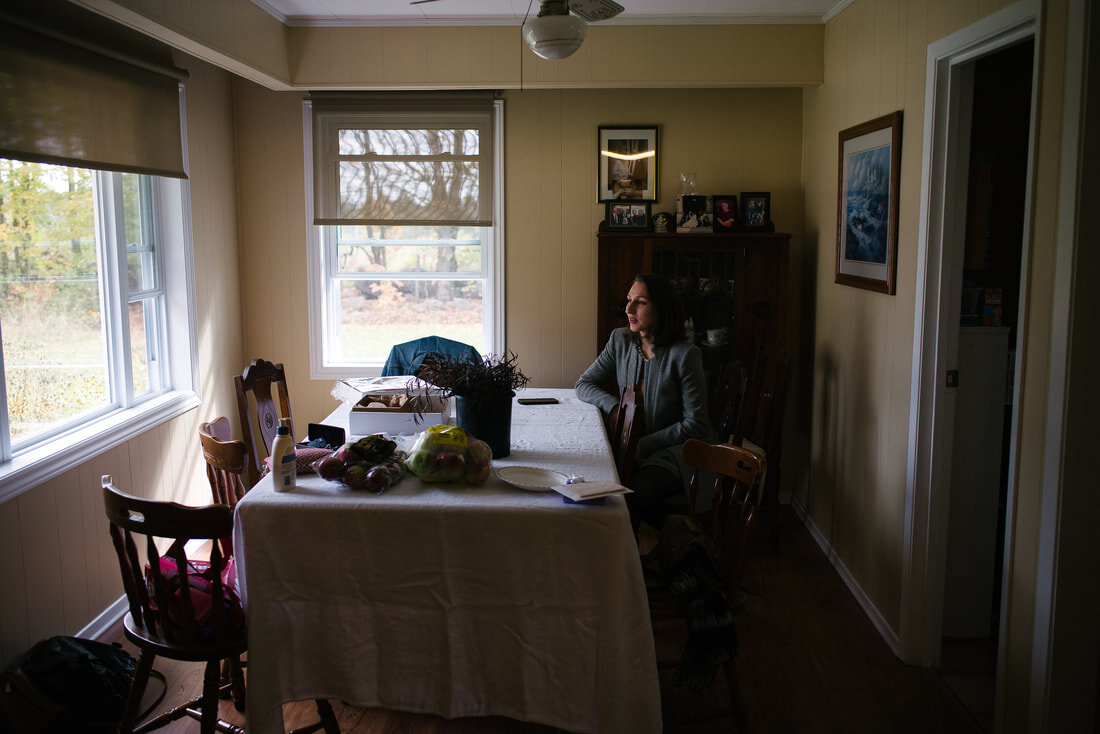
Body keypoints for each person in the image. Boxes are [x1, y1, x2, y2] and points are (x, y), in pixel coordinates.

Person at [575, 273, 716, 532]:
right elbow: (584, 384)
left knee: (635, 493)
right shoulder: (620, 341)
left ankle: (687, 544)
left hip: (678, 451)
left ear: (661, 307)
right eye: (629, 300)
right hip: (631, 449)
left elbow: (696, 424)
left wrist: (644, 446)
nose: (628, 309)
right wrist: (615, 407)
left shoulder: (685, 356)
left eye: (640, 302)